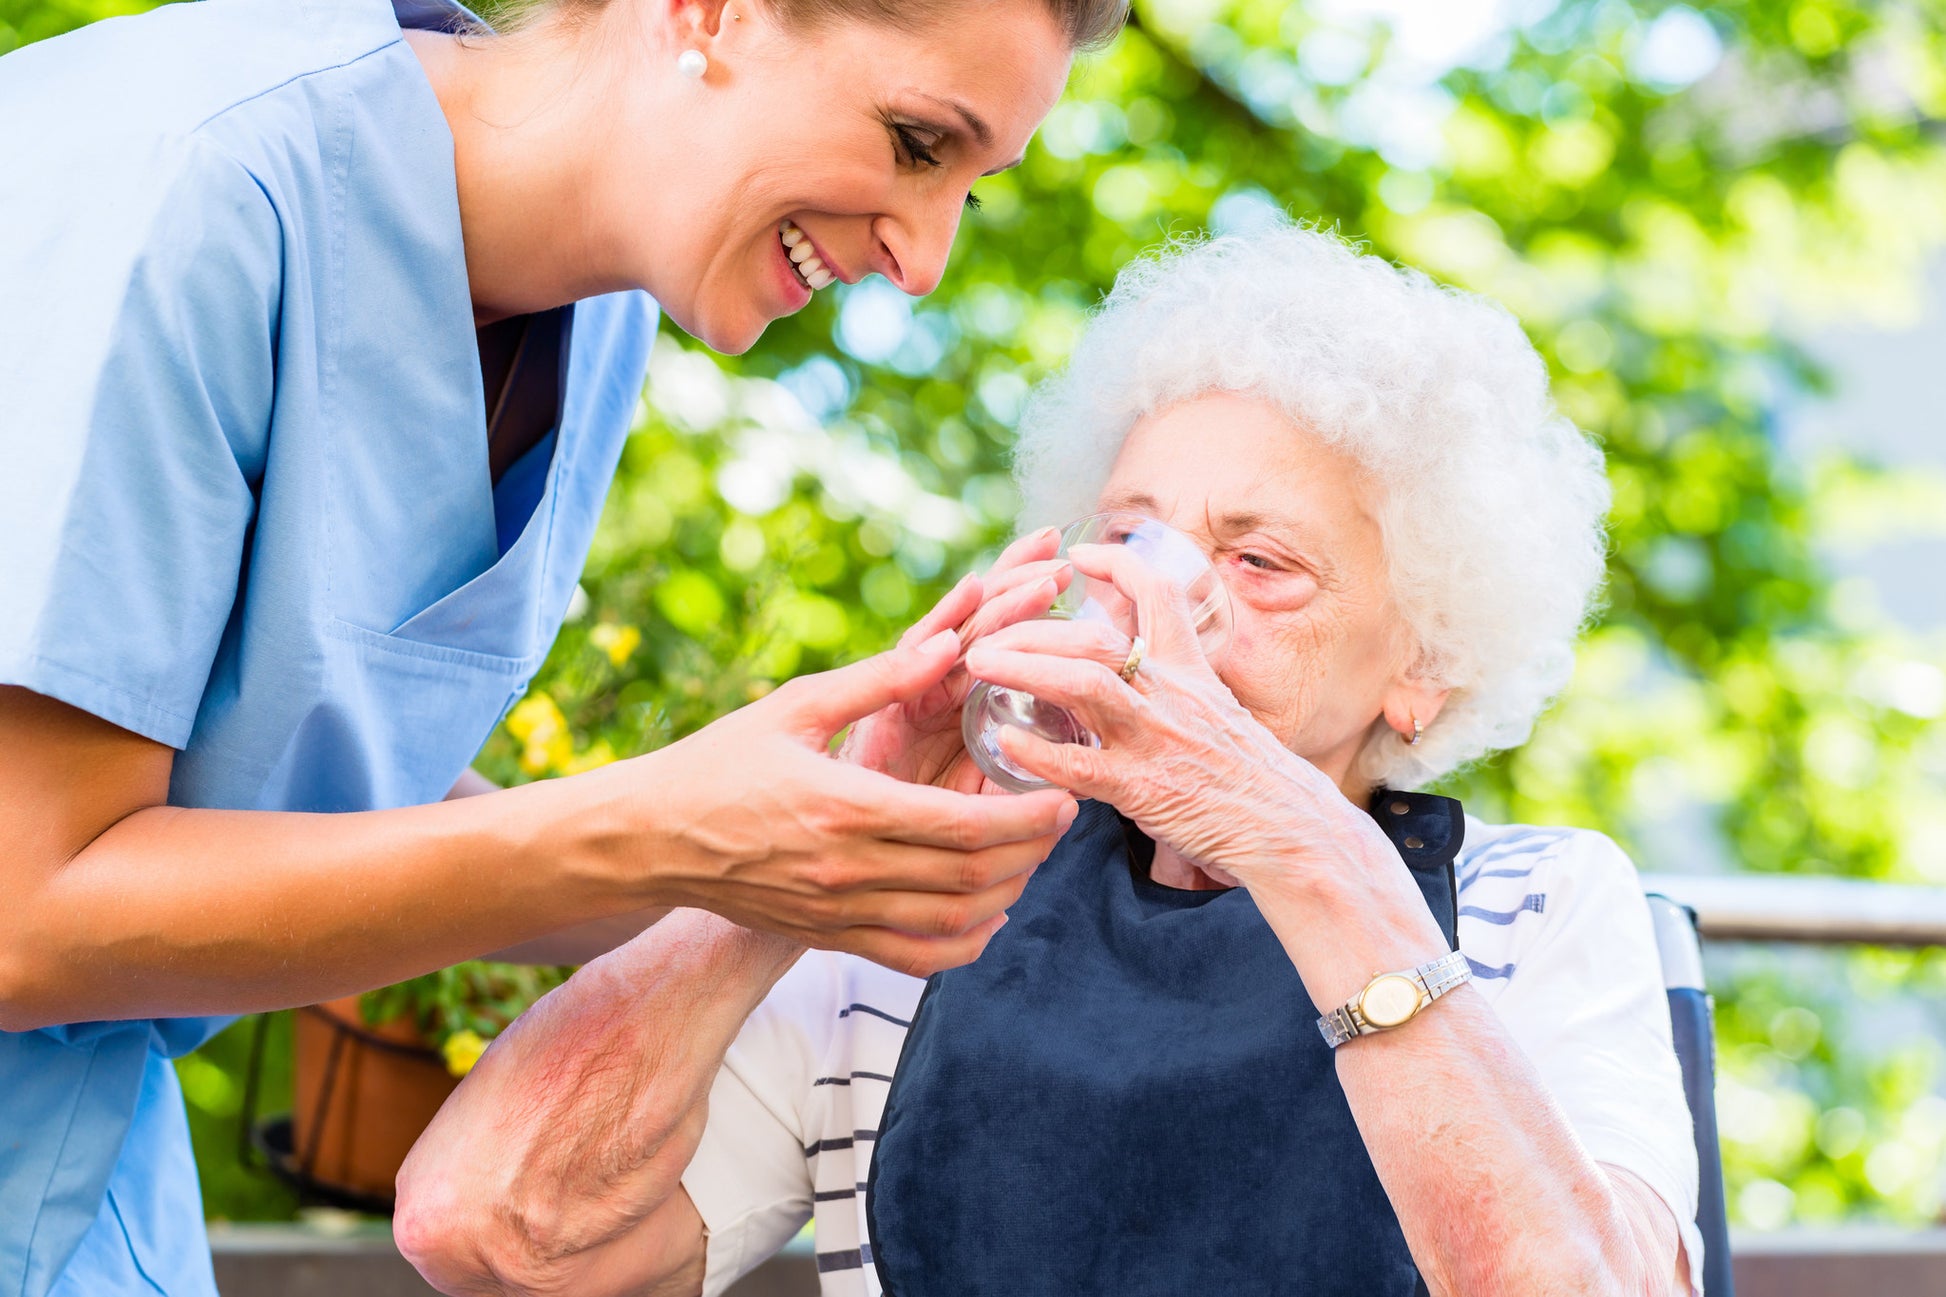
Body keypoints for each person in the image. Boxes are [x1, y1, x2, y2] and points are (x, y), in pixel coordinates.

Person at [0, 0, 1128, 1291]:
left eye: (971, 194)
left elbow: (303, 794)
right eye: (918, 142)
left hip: (82, 1191)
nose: (925, 261)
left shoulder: (600, 326)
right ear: (710, 15)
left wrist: (802, 846)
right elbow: (21, 909)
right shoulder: (188, 180)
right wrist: (663, 830)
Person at [394, 222, 1704, 1297]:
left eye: (1257, 563)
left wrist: (1281, 825)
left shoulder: (1539, 907)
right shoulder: (921, 915)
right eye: (1128, 536)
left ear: (1421, 666)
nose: (1165, 597)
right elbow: (488, 1226)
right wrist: (823, 841)